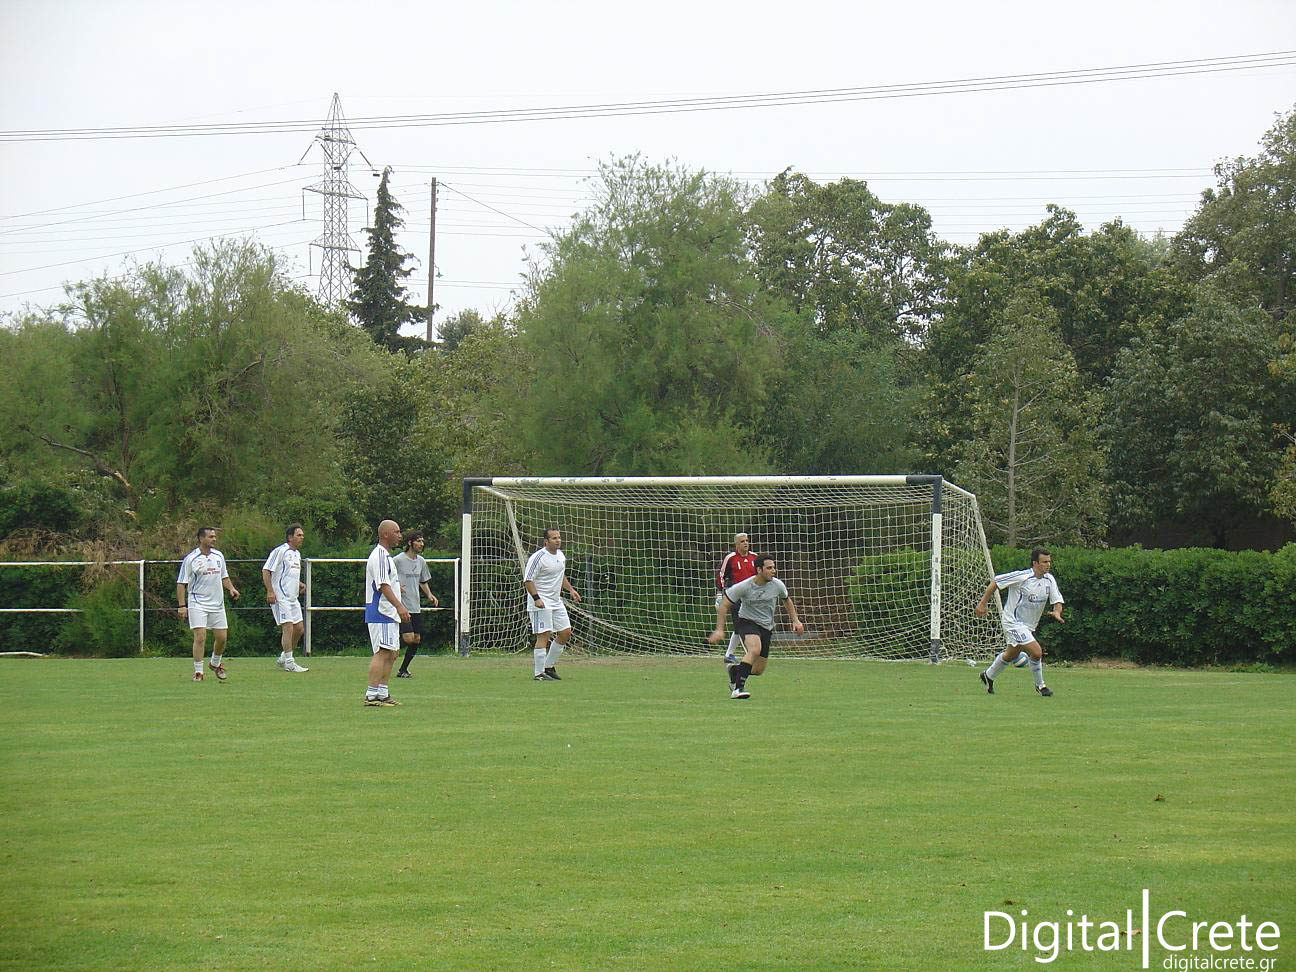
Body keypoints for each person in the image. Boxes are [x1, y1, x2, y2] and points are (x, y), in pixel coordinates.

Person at [708, 554, 804, 700]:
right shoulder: (744, 586)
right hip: (747, 622)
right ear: (759, 570)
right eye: (769, 568)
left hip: (766, 626)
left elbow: (787, 600)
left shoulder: (777, 585)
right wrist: (719, 629)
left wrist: (796, 621)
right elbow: (724, 605)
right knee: (754, 649)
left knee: (758, 670)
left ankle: (735, 670)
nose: (773, 571)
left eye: (774, 567)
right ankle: (738, 689)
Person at [975, 547, 1064, 697]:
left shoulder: (1049, 579)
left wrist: (1057, 611)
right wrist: (982, 603)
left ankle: (988, 675)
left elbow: (1057, 600)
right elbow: (996, 581)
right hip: (1013, 622)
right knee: (1036, 652)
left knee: (1010, 655)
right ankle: (1041, 686)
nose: (1048, 565)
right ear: (1035, 563)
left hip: (1029, 625)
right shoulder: (1022, 577)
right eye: (1044, 562)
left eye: (1049, 561)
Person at [177, 526, 240, 682]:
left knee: (222, 638)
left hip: (217, 604)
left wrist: (231, 588)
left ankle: (215, 663)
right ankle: (198, 671)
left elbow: (224, 576)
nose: (214, 539)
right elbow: (181, 583)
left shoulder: (219, 556)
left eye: (214, 536)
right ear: (201, 538)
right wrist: (182, 606)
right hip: (197, 602)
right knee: (200, 637)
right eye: (211, 537)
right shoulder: (191, 559)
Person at [523, 527, 582, 681]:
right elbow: (528, 580)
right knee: (544, 635)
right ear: (546, 541)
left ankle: (548, 667)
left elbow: (560, 575)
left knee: (565, 632)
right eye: (554, 538)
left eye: (559, 537)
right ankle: (539, 673)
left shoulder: (560, 555)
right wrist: (536, 598)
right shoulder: (538, 557)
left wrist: (571, 590)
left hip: (556, 602)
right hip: (541, 602)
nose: (558, 540)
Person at [363, 519, 410, 706]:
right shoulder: (380, 555)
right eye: (396, 532)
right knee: (383, 651)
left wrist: (398, 589)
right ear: (385, 534)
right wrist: (399, 606)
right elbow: (382, 585)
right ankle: (371, 695)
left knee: (392, 653)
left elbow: (387, 583)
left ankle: (382, 693)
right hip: (381, 611)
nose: (400, 536)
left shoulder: (387, 556)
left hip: (389, 612)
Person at [262, 523, 309, 673]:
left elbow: (287, 574)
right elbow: (266, 570)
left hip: (293, 597)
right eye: (299, 535)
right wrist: (270, 591)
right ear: (290, 537)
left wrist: (300, 584)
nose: (302, 538)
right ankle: (289, 662)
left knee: (299, 629)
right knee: (288, 626)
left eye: (302, 535)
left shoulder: (297, 554)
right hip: (280, 596)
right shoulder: (280, 551)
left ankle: (284, 657)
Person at [394, 530, 440, 678]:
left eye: (422, 541)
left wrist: (429, 595)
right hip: (402, 605)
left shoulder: (421, 561)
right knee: (408, 638)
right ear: (410, 542)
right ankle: (385, 650)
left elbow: (422, 581)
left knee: (416, 639)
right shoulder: (397, 560)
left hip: (415, 605)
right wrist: (396, 586)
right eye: (418, 541)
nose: (421, 544)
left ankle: (403, 670)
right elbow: (386, 578)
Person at [715, 532, 757, 665]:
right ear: (737, 544)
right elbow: (721, 576)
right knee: (740, 625)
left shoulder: (755, 557)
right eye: (742, 541)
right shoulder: (730, 558)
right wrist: (719, 594)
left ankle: (729, 654)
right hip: (736, 597)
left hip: (752, 597)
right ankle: (749, 655)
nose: (746, 543)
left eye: (747, 540)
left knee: (749, 625)